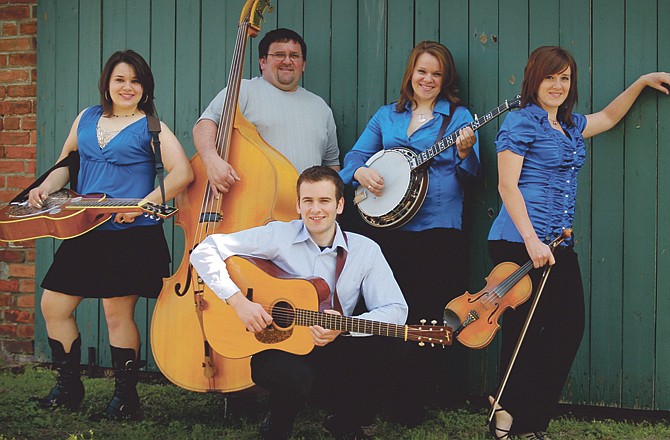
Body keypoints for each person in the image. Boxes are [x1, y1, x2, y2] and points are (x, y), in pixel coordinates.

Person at [486, 46, 670, 440]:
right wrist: (533, 242)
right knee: (522, 332)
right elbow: (507, 186)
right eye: (550, 77)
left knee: (567, 327)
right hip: (520, 242)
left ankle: (528, 421)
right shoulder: (521, 123)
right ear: (533, 79)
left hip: (555, 244)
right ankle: (504, 416)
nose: (557, 85)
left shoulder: (568, 125)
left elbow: (607, 117)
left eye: (565, 78)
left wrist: (640, 83)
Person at [28, 50, 194, 419]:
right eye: (120, 79)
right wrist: (45, 187)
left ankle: (124, 400)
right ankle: (68, 387)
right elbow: (67, 164)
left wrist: (140, 205)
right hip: (84, 228)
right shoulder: (86, 118)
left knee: (116, 315)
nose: (127, 87)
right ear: (107, 83)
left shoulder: (153, 127)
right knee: (53, 306)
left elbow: (181, 173)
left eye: (135, 81)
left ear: (145, 88)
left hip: (130, 233)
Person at [189, 166, 408, 440]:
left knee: (387, 349)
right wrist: (239, 302)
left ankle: (344, 421)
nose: (316, 210)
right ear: (298, 205)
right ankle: (278, 426)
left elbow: (396, 311)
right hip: (278, 343)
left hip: (335, 343)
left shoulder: (365, 250)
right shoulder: (278, 236)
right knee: (294, 376)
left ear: (340, 205)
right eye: (308, 201)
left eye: (324, 201)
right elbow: (205, 249)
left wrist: (344, 327)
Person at [339, 40, 480, 420]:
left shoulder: (460, 118)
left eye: (436, 73)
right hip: (388, 232)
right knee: (383, 311)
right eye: (422, 71)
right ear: (411, 74)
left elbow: (473, 176)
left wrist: (465, 154)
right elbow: (352, 157)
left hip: (439, 231)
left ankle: (411, 401)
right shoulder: (388, 116)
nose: (428, 79)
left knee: (427, 314)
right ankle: (375, 395)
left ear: (445, 78)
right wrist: (359, 172)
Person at [193, 28, 340, 197]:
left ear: (303, 64)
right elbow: (206, 123)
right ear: (262, 62)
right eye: (279, 54)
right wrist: (211, 160)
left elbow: (331, 164)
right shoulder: (242, 90)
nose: (287, 61)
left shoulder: (320, 107)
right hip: (251, 207)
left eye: (294, 55)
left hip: (304, 213)